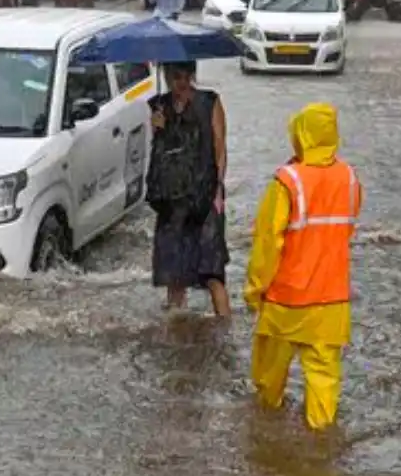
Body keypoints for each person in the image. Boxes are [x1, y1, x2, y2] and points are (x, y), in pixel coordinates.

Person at [246, 103, 362, 430]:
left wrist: (255, 289)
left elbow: (268, 243)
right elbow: (345, 230)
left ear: (300, 134)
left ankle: (267, 439)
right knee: (325, 382)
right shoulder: (350, 178)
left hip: (287, 300)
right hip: (331, 301)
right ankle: (321, 447)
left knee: (269, 382)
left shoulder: (287, 181)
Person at [147, 61, 231, 317]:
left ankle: (224, 330)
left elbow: (220, 146)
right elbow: (161, 155)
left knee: (212, 270)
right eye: (173, 77)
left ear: (192, 75)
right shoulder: (159, 106)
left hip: (204, 196)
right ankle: (176, 330)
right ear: (166, 76)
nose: (179, 83)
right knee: (174, 274)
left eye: (184, 77)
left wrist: (217, 189)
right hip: (172, 200)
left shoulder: (210, 102)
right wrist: (157, 128)